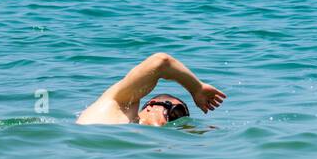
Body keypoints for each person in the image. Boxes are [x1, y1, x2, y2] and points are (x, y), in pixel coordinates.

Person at [76, 52, 225, 125]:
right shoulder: (118, 104)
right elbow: (161, 62)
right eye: (173, 114)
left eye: (178, 119)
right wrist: (196, 88)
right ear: (150, 107)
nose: (171, 122)